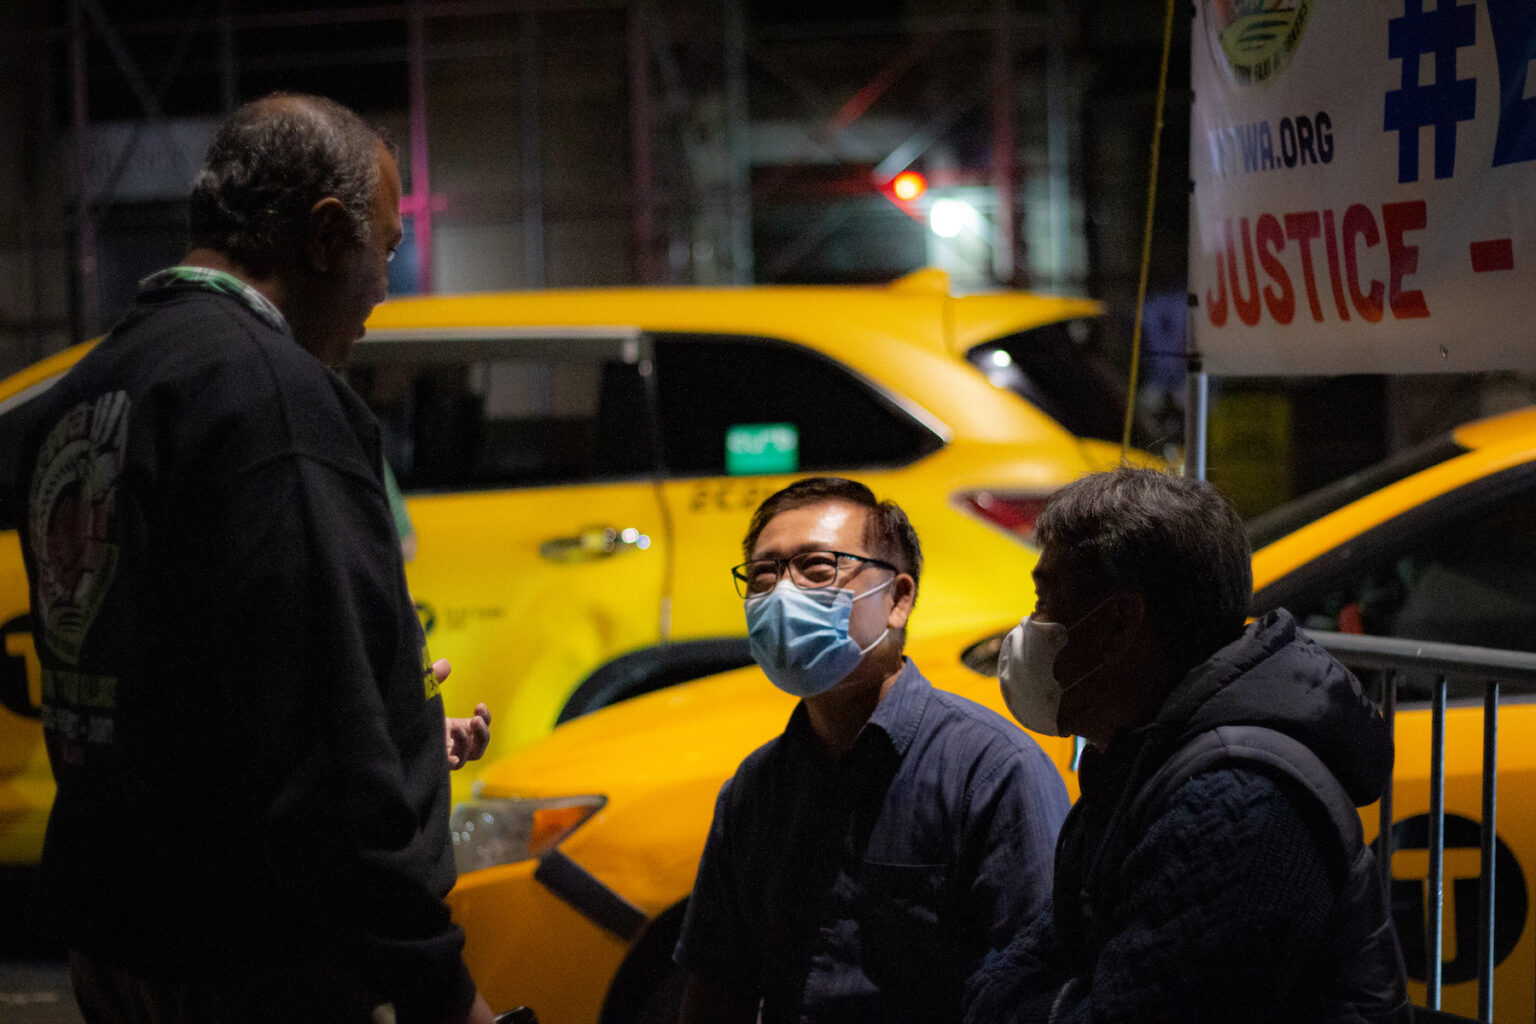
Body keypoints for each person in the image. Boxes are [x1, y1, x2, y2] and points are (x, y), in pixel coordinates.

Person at [19, 94, 494, 1023]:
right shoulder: (273, 401)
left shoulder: (94, 388)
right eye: (384, 251)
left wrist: (392, 731)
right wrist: (438, 985)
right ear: (325, 237)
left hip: (119, 932)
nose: (383, 291)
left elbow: (191, 687)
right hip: (256, 954)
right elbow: (316, 750)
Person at [967, 467, 1410, 1023]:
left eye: (1044, 598)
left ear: (1120, 624)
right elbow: (1029, 961)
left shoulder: (1238, 801)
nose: (1028, 626)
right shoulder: (1143, 753)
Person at [675, 476, 1071, 1024]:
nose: (783, 595)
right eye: (764, 575)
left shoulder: (990, 772)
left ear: (898, 599)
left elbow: (1041, 989)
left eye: (816, 568)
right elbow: (716, 988)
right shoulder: (757, 789)